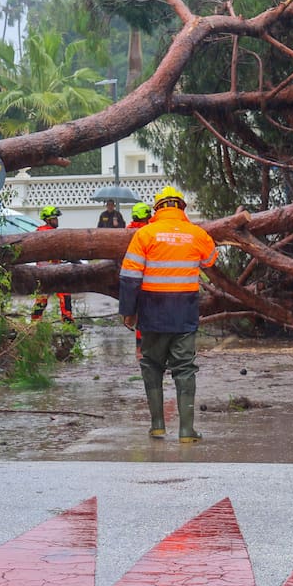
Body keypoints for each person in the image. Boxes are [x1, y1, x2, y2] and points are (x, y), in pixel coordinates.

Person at [119, 186, 217, 442]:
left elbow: (129, 278)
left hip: (152, 312)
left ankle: (158, 426)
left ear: (157, 209)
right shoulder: (196, 233)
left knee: (152, 365)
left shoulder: (144, 234)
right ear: (181, 208)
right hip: (184, 311)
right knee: (184, 368)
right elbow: (210, 260)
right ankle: (186, 431)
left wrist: (128, 312)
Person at [30, 205, 74, 326]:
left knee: (47, 298)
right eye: (54, 218)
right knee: (61, 295)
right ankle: (67, 321)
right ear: (48, 219)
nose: (57, 221)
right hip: (47, 271)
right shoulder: (47, 233)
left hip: (49, 270)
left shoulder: (40, 231)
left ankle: (34, 322)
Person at [125, 201, 153, 359]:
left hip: (130, 277)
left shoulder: (127, 231)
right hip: (147, 277)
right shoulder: (148, 231)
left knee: (136, 312)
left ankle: (139, 350)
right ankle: (143, 349)